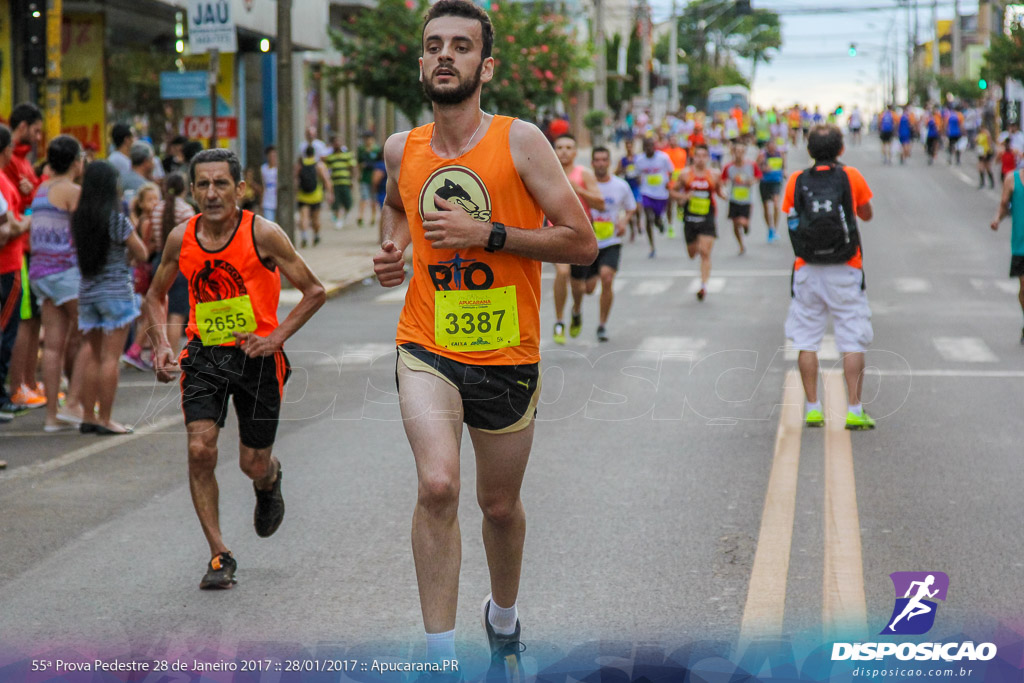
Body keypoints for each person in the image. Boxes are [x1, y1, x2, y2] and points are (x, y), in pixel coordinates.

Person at [371, 0, 596, 674]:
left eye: (461, 46)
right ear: (421, 61)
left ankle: (503, 616)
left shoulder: (520, 141)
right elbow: (397, 202)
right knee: (437, 485)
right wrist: (394, 250)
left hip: (506, 352)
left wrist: (489, 235)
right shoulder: (399, 148)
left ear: (485, 65)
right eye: (434, 44)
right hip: (427, 344)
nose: (445, 54)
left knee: (498, 505)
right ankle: (441, 658)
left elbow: (582, 242)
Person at [144, 148, 326, 589]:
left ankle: (270, 479)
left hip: (258, 357)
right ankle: (219, 554)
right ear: (191, 190)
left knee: (251, 462)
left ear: (240, 189)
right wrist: (161, 345)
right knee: (200, 449)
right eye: (202, 184)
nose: (211, 193)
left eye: (221, 183)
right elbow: (154, 295)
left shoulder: (264, 235)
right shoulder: (179, 238)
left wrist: (277, 337)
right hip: (205, 355)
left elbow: (314, 290)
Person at [782, 124, 876, 430]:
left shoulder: (796, 180)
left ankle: (812, 407)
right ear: (841, 149)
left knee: (807, 340)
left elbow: (792, 215)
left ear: (808, 150)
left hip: (807, 268)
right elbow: (866, 214)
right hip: (846, 266)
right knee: (852, 339)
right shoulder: (851, 176)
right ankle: (854, 409)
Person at [72, 161, 149, 434]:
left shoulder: (79, 218)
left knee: (93, 355)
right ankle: (106, 419)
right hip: (116, 292)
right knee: (110, 359)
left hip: (88, 293)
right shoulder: (117, 220)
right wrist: (126, 257)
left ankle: (89, 416)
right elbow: (141, 253)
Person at [29, 136, 86, 432]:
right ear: (76, 161)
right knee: (92, 332)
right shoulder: (72, 191)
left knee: (53, 346)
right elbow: (86, 231)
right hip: (66, 272)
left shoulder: (41, 190)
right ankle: (74, 402)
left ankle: (53, 415)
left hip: (40, 273)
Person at [570, 146, 636, 342]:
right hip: (588, 242)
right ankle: (576, 309)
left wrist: (623, 221)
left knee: (607, 278)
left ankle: (602, 325)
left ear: (609, 162)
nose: (600, 163)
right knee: (588, 289)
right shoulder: (583, 184)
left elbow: (631, 207)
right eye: (596, 160)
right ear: (592, 163)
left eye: (604, 160)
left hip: (611, 241)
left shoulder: (620, 185)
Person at [551, 133, 604, 343]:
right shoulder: (548, 173)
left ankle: (576, 310)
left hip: (580, 232)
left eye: (568, 147)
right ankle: (558, 321)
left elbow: (600, 203)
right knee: (562, 272)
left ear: (575, 152)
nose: (563, 151)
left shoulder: (585, 174)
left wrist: (579, 190)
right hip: (555, 230)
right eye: (559, 147)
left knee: (579, 286)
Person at [0, 125, 33, 422]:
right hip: (6, 266)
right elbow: (6, 229)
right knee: (4, 333)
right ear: (7, 149)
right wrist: (25, 223)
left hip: (11, 264)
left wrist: (22, 205)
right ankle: (1, 397)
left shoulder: (6, 180)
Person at [148, 172, 195, 359]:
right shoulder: (186, 210)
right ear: (185, 188)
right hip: (180, 263)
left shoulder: (157, 209)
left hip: (159, 259)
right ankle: (173, 356)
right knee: (176, 312)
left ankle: (159, 351)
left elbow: (151, 234)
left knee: (159, 307)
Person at [671, 144, 726, 301]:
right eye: (698, 155)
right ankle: (703, 282)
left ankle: (703, 286)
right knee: (692, 253)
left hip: (707, 217)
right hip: (690, 219)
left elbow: (720, 191)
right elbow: (673, 191)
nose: (700, 159)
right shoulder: (685, 175)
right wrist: (683, 197)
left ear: (708, 158)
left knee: (705, 252)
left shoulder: (714, 175)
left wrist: (725, 195)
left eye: (704, 156)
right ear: (693, 157)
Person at [990, 159, 1024, 344]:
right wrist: (997, 219)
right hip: (1021, 245)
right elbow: (1004, 205)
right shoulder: (1012, 179)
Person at [635, 136, 674, 258]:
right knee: (648, 217)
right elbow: (637, 174)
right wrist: (639, 182)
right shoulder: (639, 160)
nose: (649, 148)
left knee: (657, 218)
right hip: (647, 192)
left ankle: (660, 223)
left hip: (661, 194)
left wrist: (668, 182)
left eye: (651, 145)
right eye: (646, 146)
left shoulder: (663, 158)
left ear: (655, 146)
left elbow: (671, 171)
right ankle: (652, 246)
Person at [721, 140, 762, 255]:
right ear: (733, 152)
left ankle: (746, 225)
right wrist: (725, 185)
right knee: (734, 225)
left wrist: (751, 181)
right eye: (736, 151)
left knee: (742, 222)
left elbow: (758, 176)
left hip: (746, 200)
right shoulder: (729, 167)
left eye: (741, 151)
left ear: (744, 152)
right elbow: (722, 180)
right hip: (734, 199)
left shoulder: (751, 165)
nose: (738, 153)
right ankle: (741, 245)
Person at [295, 144, 334, 248]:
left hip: (302, 196)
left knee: (304, 217)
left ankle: (304, 237)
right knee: (316, 218)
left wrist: (295, 193)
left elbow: (295, 180)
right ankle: (316, 236)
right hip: (316, 196)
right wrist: (329, 194)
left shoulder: (300, 165)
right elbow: (327, 180)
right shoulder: (319, 165)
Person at [323, 134, 357, 229]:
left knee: (348, 202)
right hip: (335, 183)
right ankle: (338, 219)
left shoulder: (347, 155)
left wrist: (352, 180)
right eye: (335, 142)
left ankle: (344, 216)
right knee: (336, 202)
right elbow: (325, 168)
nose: (337, 144)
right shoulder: (330, 157)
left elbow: (352, 168)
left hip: (345, 182)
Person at [757, 137, 785, 242]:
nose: (772, 147)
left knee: (776, 204)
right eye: (770, 145)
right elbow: (756, 168)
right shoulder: (762, 156)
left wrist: (784, 173)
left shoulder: (780, 154)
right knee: (766, 207)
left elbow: (783, 167)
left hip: (776, 182)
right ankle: (770, 228)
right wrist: (763, 169)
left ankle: (775, 229)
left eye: (773, 145)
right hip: (765, 183)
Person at [616, 137, 642, 241]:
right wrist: (623, 170)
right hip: (628, 187)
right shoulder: (623, 160)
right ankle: (633, 230)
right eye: (627, 146)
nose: (629, 147)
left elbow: (642, 170)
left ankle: (639, 223)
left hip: (636, 186)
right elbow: (616, 172)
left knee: (638, 208)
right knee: (629, 209)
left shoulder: (638, 159)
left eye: (631, 145)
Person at [357, 133, 382, 226]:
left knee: (373, 199)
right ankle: (360, 216)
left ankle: (373, 217)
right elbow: (359, 163)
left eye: (368, 139)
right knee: (364, 197)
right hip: (365, 178)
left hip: (374, 178)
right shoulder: (361, 150)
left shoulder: (377, 149)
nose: (367, 141)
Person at [260, 146, 278, 222]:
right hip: (268, 201)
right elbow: (263, 185)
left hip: (277, 199)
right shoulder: (263, 169)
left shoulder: (279, 169)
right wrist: (261, 200)